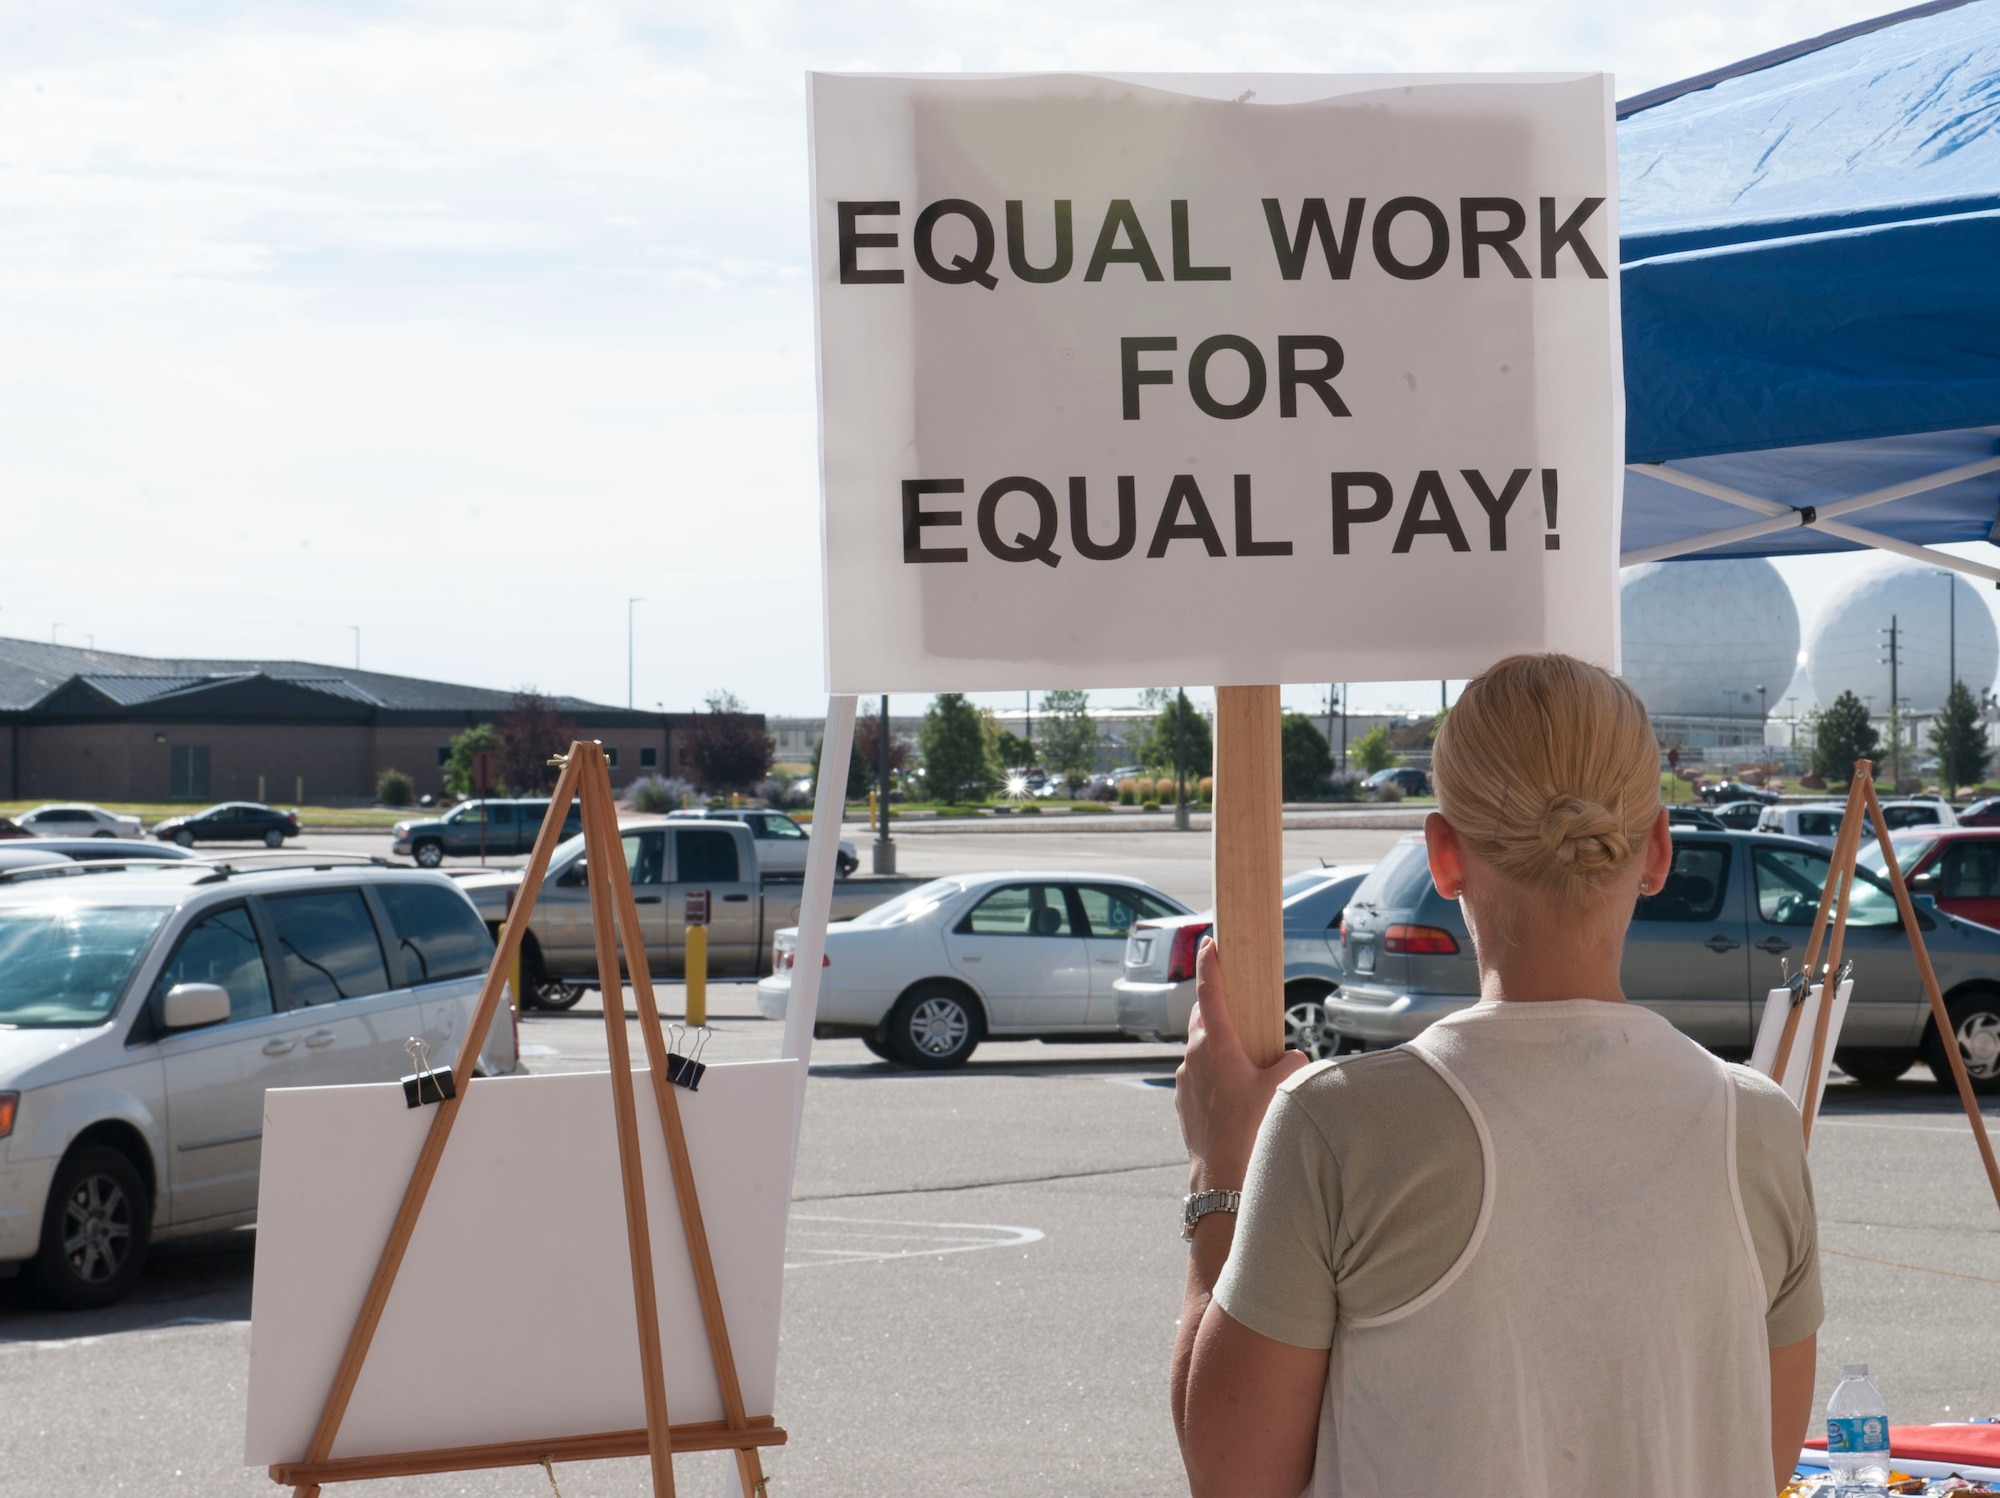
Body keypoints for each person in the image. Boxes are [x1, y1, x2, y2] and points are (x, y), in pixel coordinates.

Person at [1171, 653, 1820, 1497]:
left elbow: (1234, 1476)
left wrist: (1220, 1164)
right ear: (1657, 849)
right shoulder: (1762, 1127)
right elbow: (1755, 1460)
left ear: (1443, 854)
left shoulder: (1340, 1124)